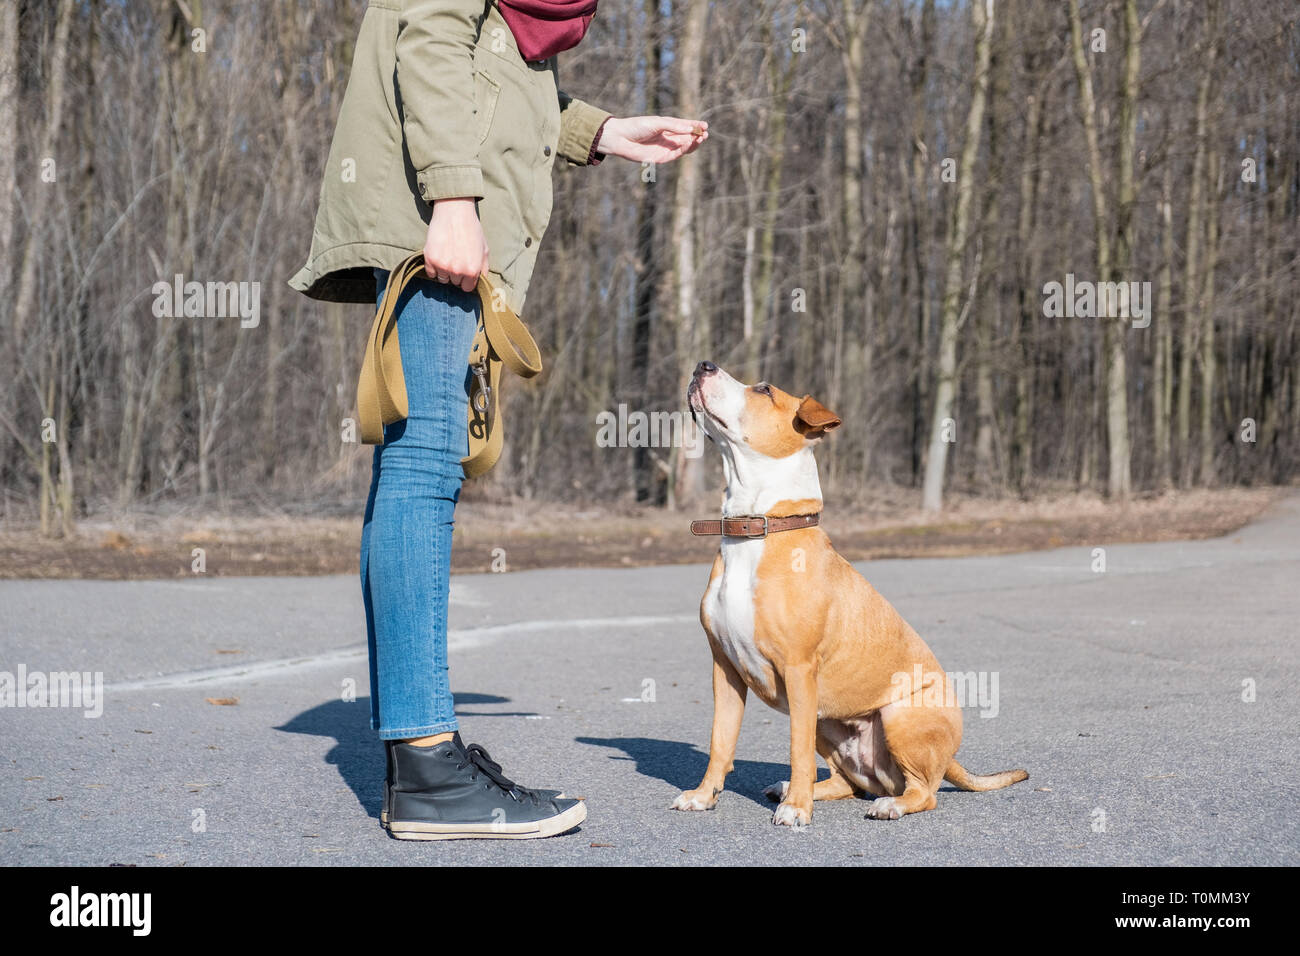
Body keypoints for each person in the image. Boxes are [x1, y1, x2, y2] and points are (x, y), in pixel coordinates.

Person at [289, 0, 707, 840]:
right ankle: (429, 770)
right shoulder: (448, 161)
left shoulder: (523, 22)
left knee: (420, 461)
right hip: (428, 212)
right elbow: (430, 34)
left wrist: (600, 131)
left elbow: (497, 74)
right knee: (424, 462)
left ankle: (424, 754)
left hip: (437, 203)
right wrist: (453, 195)